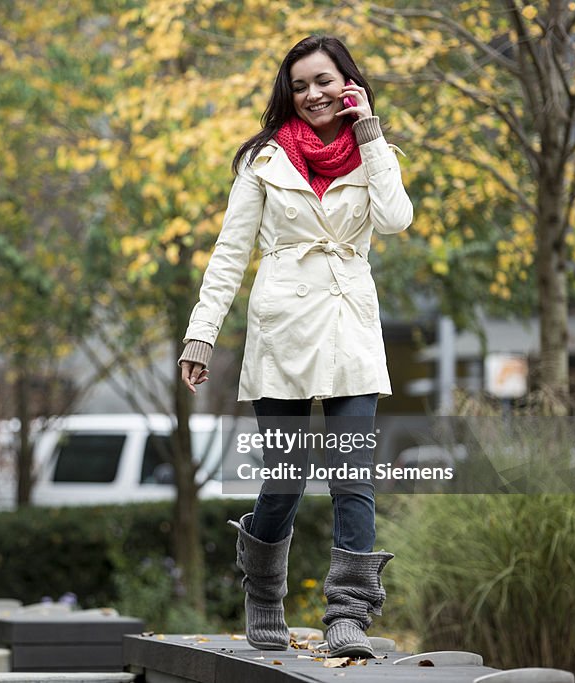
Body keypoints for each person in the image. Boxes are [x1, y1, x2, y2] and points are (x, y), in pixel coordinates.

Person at [177, 35, 412, 657]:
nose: (313, 94)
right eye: (301, 84)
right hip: (282, 326)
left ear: (349, 84)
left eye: (325, 81)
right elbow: (230, 254)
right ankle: (263, 592)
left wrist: (370, 136)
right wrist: (201, 334)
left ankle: (349, 616)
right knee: (286, 477)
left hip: (349, 326)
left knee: (352, 477)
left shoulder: (375, 152)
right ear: (289, 91)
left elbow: (395, 219)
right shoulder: (262, 161)